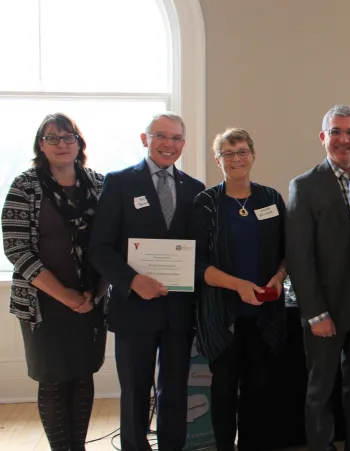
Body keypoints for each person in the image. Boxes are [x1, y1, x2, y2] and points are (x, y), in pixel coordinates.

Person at [89, 112, 205, 451]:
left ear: (184, 143)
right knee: (135, 391)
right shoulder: (120, 182)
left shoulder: (194, 189)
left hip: (178, 310)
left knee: (174, 391)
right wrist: (132, 280)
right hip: (133, 308)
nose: (169, 144)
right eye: (161, 136)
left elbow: (197, 250)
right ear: (145, 139)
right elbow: (99, 248)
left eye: (176, 138)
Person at [286, 105, 350, 451]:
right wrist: (315, 313)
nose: (343, 140)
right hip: (325, 309)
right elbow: (300, 258)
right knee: (320, 389)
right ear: (323, 137)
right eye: (336, 132)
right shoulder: (304, 186)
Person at [2, 113, 107, 451]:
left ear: (79, 142)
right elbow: (15, 247)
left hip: (91, 299)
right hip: (43, 303)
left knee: (82, 374)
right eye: (53, 138)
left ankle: (79, 446)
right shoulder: (25, 185)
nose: (62, 144)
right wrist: (65, 296)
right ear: (41, 145)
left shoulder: (99, 184)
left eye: (68, 137)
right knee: (53, 378)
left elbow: (113, 241)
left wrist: (95, 292)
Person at [189, 128, 287, 451]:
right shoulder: (206, 203)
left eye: (242, 152)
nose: (236, 159)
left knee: (258, 391)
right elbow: (197, 265)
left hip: (264, 317)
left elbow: (287, 252)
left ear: (253, 156)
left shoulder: (271, 198)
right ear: (218, 161)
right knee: (224, 392)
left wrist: (280, 276)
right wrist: (238, 286)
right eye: (228, 154)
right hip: (222, 317)